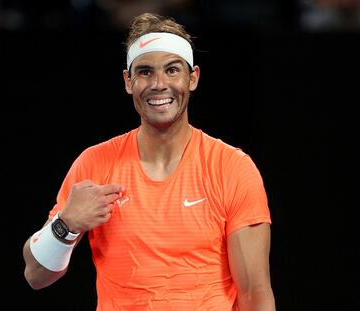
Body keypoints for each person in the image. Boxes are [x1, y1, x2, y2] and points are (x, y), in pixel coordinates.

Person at [23, 12, 276, 310]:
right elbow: (37, 275)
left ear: (192, 78)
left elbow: (255, 295)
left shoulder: (232, 168)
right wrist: (66, 224)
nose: (158, 84)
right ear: (128, 82)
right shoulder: (94, 163)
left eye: (172, 70)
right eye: (144, 72)